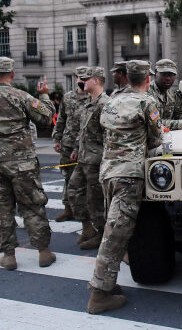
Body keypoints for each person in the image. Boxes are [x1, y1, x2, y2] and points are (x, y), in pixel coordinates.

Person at [0, 57, 57, 271]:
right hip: (21, 162)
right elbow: (45, 119)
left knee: (1, 209)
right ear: (12, 75)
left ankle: (8, 255)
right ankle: (43, 252)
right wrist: (43, 94)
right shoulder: (21, 96)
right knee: (33, 205)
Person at [87, 60, 162, 314]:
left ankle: (108, 284)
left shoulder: (111, 101)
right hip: (130, 175)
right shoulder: (146, 102)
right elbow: (155, 139)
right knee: (115, 235)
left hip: (107, 173)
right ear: (148, 79)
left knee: (114, 228)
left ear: (127, 78)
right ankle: (99, 294)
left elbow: (102, 133)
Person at [67, 67, 109, 250]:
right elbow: (83, 132)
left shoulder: (105, 104)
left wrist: (106, 161)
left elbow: (109, 136)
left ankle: (101, 235)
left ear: (98, 81)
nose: (81, 81)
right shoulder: (88, 103)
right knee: (74, 192)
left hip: (96, 160)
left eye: (86, 78)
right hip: (84, 158)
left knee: (96, 201)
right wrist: (77, 148)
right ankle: (87, 228)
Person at [52, 66, 90, 222]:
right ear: (76, 79)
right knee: (67, 178)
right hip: (68, 145)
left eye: (85, 78)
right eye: (80, 78)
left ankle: (86, 213)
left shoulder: (92, 98)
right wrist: (56, 139)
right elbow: (60, 120)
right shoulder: (68, 98)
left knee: (85, 180)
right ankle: (68, 209)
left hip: (86, 146)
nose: (82, 81)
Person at [148, 58, 182, 129]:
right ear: (156, 73)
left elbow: (180, 115)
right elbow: (154, 122)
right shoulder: (147, 94)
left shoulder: (173, 95)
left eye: (171, 75)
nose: (168, 78)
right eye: (164, 74)